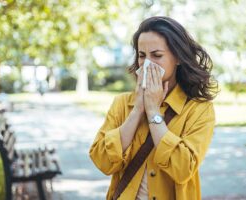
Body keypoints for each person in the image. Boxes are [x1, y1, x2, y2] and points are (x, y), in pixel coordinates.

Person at [89, 16, 218, 200]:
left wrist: (153, 112)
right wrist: (137, 110)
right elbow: (102, 161)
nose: (147, 63)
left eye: (157, 55)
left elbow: (183, 170)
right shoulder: (122, 103)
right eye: (142, 55)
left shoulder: (199, 109)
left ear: (178, 58)